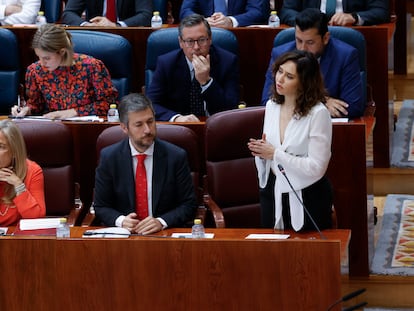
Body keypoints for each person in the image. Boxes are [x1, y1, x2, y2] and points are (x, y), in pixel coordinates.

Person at [248, 50, 333, 231]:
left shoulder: (318, 114)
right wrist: (261, 153)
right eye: (279, 72)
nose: (280, 79)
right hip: (273, 191)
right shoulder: (272, 105)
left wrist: (275, 154)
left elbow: (318, 167)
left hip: (309, 195)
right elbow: (270, 150)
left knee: (307, 256)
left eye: (289, 76)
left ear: (304, 83)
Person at [94, 93, 197, 234]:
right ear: (124, 128)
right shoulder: (109, 157)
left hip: (163, 235)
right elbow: (100, 206)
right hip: (125, 237)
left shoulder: (175, 156)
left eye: (150, 121)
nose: (147, 130)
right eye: (139, 124)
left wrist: (161, 222)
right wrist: (121, 220)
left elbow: (189, 205)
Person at [261, 8, 364, 118]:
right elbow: (268, 101)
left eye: (310, 42)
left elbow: (353, 107)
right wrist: (322, 101)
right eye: (299, 40)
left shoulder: (345, 56)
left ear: (325, 38)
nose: (302, 49)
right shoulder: (280, 54)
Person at [11, 24, 118, 119]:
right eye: (39, 57)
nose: (42, 63)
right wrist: (26, 109)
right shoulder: (35, 71)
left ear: (62, 52)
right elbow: (36, 105)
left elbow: (109, 104)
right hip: (53, 128)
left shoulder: (91, 66)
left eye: (47, 58)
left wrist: (73, 112)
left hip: (87, 128)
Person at [146, 13, 240, 122]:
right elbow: (151, 104)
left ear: (210, 39)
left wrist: (206, 82)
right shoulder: (166, 63)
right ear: (181, 42)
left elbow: (231, 108)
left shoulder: (227, 61)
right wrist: (176, 118)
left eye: (201, 40)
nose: (196, 47)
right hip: (179, 129)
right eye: (190, 41)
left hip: (215, 127)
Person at [0, 120, 46, 226]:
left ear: (14, 151)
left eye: (1, 146)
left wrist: (18, 185)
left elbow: (37, 219)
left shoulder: (33, 171)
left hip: (16, 238)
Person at [280, 0, 389, 26]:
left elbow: (380, 11)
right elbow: (286, 11)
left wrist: (354, 17)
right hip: (309, 35)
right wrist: (306, 21)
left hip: (350, 31)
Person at [179, 0, 269, 28]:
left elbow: (258, 12)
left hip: (242, 38)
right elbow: (185, 11)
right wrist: (203, 21)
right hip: (202, 36)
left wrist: (231, 21)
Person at [61, 0, 152, 27]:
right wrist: (86, 25)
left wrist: (116, 25)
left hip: (128, 35)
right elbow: (68, 13)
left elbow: (146, 15)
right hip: (95, 33)